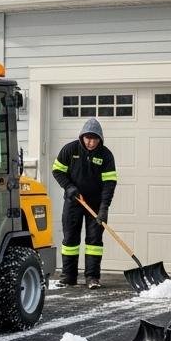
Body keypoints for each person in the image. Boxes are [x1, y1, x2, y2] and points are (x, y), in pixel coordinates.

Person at [51, 118, 118, 289]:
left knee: (94, 242)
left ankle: (92, 278)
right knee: (70, 238)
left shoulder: (106, 155)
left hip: (95, 205)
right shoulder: (70, 149)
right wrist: (69, 187)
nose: (91, 142)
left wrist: (104, 208)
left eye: (94, 139)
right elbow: (57, 170)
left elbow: (110, 183)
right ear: (82, 137)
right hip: (73, 201)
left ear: (100, 139)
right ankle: (68, 276)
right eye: (88, 138)